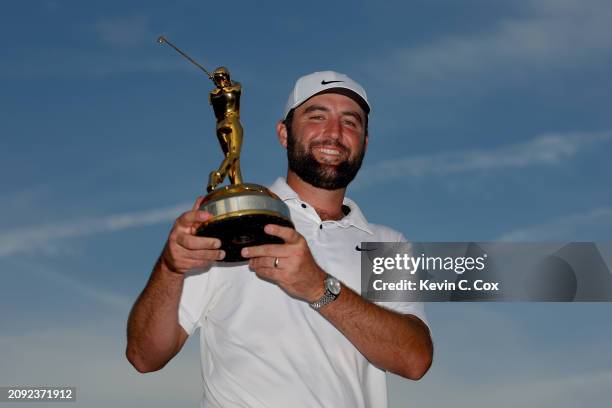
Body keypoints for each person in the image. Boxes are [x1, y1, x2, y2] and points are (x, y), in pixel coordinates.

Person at [126, 71, 433, 407]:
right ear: (283, 134)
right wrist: (170, 268)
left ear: (365, 143)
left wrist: (318, 286)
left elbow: (414, 360)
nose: (334, 133)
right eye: (317, 117)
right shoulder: (231, 223)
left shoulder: (389, 243)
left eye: (351, 122)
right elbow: (145, 357)